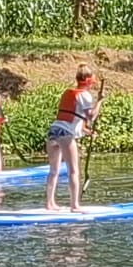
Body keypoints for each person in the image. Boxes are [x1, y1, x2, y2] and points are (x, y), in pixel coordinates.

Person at [43, 68, 101, 212]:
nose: (93, 84)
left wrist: (88, 132)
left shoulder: (68, 92)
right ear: (88, 81)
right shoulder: (85, 95)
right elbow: (91, 116)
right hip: (65, 134)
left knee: (54, 171)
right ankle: (75, 206)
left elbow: (72, 119)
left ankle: (50, 204)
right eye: (92, 81)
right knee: (74, 171)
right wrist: (99, 101)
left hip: (53, 131)